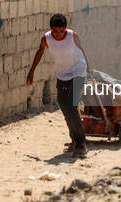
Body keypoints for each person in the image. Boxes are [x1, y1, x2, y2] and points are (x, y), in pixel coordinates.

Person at [27, 13, 90, 158]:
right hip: (62, 75)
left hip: (78, 72)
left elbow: (81, 49)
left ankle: (81, 144)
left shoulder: (73, 36)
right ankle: (73, 140)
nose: (59, 34)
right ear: (51, 29)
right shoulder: (46, 39)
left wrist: (87, 65)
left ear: (65, 29)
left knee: (71, 105)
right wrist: (31, 71)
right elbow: (40, 52)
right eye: (55, 31)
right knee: (62, 103)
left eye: (61, 31)